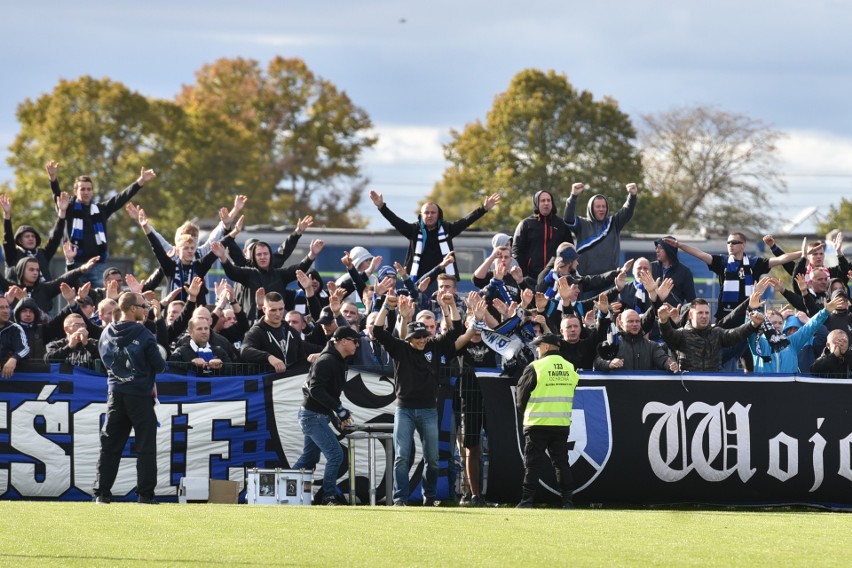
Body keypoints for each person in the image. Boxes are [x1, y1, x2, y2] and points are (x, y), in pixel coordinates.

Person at [372, 292, 467, 506]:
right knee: (402, 457)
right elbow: (378, 331)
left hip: (428, 410)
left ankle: (430, 496)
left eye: (425, 336)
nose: (423, 340)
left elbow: (457, 330)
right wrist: (387, 306)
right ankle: (400, 500)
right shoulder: (400, 349)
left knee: (433, 460)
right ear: (409, 338)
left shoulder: (434, 346)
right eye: (418, 337)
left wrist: (450, 306)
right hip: (404, 410)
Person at [94, 292, 166, 504]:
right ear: (132, 308)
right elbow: (160, 366)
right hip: (140, 396)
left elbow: (104, 359)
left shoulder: (106, 331)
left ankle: (101, 494)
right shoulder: (144, 334)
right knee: (145, 447)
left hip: (115, 394)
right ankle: (145, 495)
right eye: (143, 306)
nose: (146, 310)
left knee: (110, 446)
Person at [47, 161, 157, 285]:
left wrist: (141, 181)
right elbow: (58, 197)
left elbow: (120, 198)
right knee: (76, 300)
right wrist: (53, 178)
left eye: (89, 189)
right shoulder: (69, 208)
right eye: (82, 189)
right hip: (75, 264)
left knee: (98, 301)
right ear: (75, 191)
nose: (86, 192)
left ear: (92, 192)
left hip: (97, 266)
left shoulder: (100, 209)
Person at [292, 326, 361, 505]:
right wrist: (339, 410)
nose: (357, 345)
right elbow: (315, 389)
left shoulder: (334, 359)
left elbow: (324, 394)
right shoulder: (327, 360)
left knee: (310, 458)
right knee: (336, 455)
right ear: (344, 341)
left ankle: (284, 489)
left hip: (315, 415)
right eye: (354, 341)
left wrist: (336, 415)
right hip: (312, 416)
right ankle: (328, 497)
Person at [370, 189, 501, 283]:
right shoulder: (413, 230)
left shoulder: (448, 229)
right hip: (418, 281)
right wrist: (381, 206)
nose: (430, 215)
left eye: (433, 212)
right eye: (426, 213)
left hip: (443, 281)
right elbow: (395, 221)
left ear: (439, 215)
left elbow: (466, 221)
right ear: (421, 216)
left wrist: (483, 208)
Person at [664, 233, 801, 321]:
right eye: (728, 242)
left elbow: (782, 259)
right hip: (726, 314)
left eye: (734, 242)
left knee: (748, 359)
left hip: (749, 315)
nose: (730, 245)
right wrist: (679, 245)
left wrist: (804, 252)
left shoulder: (754, 263)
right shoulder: (722, 262)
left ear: (743, 245)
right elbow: (700, 254)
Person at [515, 333, 579, 509]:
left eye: (538, 345)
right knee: (562, 463)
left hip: (537, 423)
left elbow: (520, 397)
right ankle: (567, 502)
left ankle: (526, 501)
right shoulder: (570, 367)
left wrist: (527, 413)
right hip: (561, 424)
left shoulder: (535, 366)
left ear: (546, 347)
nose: (537, 349)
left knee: (532, 464)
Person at [658, 298, 765, 372]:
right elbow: (668, 335)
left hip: (714, 385)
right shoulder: (681, 334)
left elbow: (736, 334)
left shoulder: (717, 333)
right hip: (688, 386)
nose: (704, 316)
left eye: (707, 313)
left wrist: (753, 324)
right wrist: (663, 321)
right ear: (690, 314)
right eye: (700, 313)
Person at [564, 182, 638, 276]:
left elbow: (627, 210)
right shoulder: (582, 224)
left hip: (609, 280)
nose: (601, 209)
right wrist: (573, 196)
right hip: (585, 280)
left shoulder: (613, 223)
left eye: (604, 206)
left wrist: (632, 196)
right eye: (598, 206)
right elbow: (568, 218)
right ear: (591, 208)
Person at [240, 291, 321, 375]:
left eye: (281, 309)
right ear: (264, 309)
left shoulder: (291, 331)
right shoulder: (257, 331)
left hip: (291, 382)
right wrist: (268, 357)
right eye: (273, 310)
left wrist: (318, 356)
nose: (278, 314)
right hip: (268, 383)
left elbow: (301, 359)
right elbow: (245, 350)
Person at [1, 192, 67, 281]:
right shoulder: (13, 255)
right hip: (20, 293)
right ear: (20, 241)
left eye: (33, 236)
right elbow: (8, 240)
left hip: (42, 292)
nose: (31, 238)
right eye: (27, 236)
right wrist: (7, 216)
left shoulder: (42, 254)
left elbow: (55, 238)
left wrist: (62, 213)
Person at [512, 190, 574, 283]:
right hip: (530, 278)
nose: (546, 203)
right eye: (543, 201)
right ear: (536, 203)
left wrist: (565, 272)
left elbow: (569, 249)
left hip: (555, 278)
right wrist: (523, 275)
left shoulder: (561, 224)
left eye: (549, 200)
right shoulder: (526, 224)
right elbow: (517, 251)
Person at [594, 309, 677, 372]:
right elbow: (598, 362)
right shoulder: (611, 343)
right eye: (630, 321)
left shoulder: (652, 346)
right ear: (621, 323)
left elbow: (663, 360)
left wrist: (670, 365)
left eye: (637, 321)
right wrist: (610, 363)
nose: (635, 324)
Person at [650, 236, 696, 307]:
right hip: (652, 314)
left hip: (673, 314)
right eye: (656, 248)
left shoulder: (685, 272)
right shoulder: (650, 267)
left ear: (669, 249)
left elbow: (691, 300)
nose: (657, 250)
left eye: (661, 248)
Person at [0, 295, 29, 378]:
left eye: (7, 307)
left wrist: (14, 359)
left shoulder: (15, 328)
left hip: (11, 380)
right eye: (1, 308)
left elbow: (24, 349)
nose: (6, 311)